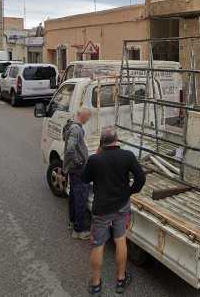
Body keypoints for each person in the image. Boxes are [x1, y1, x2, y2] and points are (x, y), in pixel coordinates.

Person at [81, 129, 146, 294]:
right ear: (117, 141)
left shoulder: (95, 159)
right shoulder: (127, 156)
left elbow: (84, 179)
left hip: (101, 208)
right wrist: (130, 191)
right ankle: (120, 280)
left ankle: (96, 284)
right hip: (121, 206)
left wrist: (96, 154)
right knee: (120, 240)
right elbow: (141, 178)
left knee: (98, 244)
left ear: (102, 143)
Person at [63, 107, 92, 240]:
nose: (88, 120)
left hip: (73, 169)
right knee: (81, 199)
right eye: (88, 117)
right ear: (84, 116)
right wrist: (79, 162)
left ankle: (72, 222)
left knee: (74, 196)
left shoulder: (71, 126)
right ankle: (79, 230)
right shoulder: (76, 129)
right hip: (78, 169)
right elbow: (70, 149)